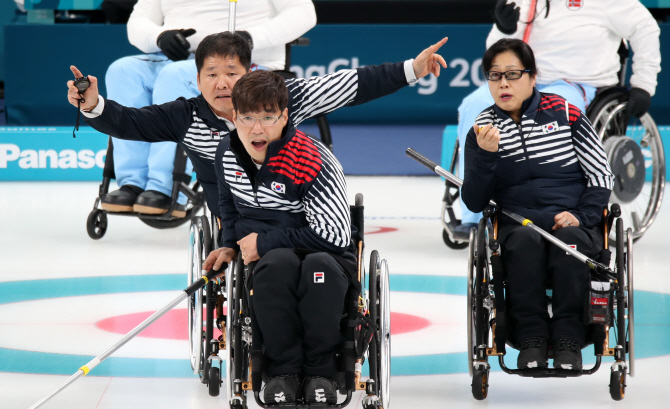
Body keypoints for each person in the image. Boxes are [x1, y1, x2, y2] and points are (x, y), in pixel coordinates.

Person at [67, 32, 448, 223]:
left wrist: (412, 69)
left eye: (230, 73)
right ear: (196, 79)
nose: (221, 84)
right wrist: (93, 105)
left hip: (294, 213)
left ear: (249, 73)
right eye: (211, 74)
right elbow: (130, 121)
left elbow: (352, 84)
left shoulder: (283, 98)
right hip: (232, 219)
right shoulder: (186, 115)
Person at [461, 38, 613, 371]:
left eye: (512, 74)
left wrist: (581, 215)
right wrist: (487, 158)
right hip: (520, 224)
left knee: (571, 246)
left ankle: (568, 339)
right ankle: (530, 338)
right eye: (494, 75)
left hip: (573, 221)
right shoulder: (483, 129)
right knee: (524, 246)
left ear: (532, 77)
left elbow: (601, 175)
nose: (503, 83)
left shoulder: (566, 114)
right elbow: (473, 200)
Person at [202, 69, 353, 404]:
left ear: (285, 116)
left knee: (319, 268)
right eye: (248, 117)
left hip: (325, 253)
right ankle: (281, 372)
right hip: (266, 256)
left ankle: (321, 373)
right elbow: (227, 202)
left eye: (268, 117)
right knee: (277, 266)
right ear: (234, 116)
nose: (258, 128)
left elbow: (335, 235)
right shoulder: (226, 152)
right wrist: (228, 243)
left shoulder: (314, 160)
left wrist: (266, 241)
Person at [453, 0, 660, 239]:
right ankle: (474, 216)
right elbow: (495, 53)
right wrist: (504, 29)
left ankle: (548, 208)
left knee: (552, 109)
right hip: (520, 80)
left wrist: (643, 84)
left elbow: (645, 28)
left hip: (575, 83)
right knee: (474, 105)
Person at [101, 0, 317, 217]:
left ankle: (164, 187)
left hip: (243, 64)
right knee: (122, 70)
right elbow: (137, 23)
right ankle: (132, 183)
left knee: (175, 75)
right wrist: (159, 37)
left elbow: (303, 13)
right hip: (176, 59)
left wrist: (251, 37)